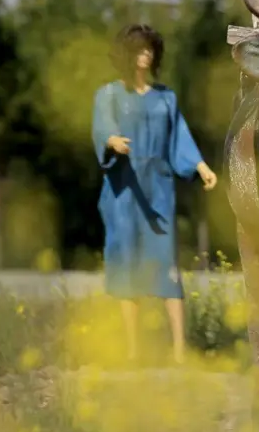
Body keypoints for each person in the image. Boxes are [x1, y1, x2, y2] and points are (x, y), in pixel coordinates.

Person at [91, 24, 218, 366]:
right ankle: (133, 351)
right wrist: (111, 140)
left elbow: (180, 138)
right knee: (126, 265)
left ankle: (179, 352)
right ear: (126, 54)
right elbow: (102, 126)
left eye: (150, 48)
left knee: (167, 266)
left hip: (159, 190)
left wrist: (200, 166)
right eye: (138, 48)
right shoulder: (109, 94)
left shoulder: (166, 98)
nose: (145, 54)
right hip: (123, 191)